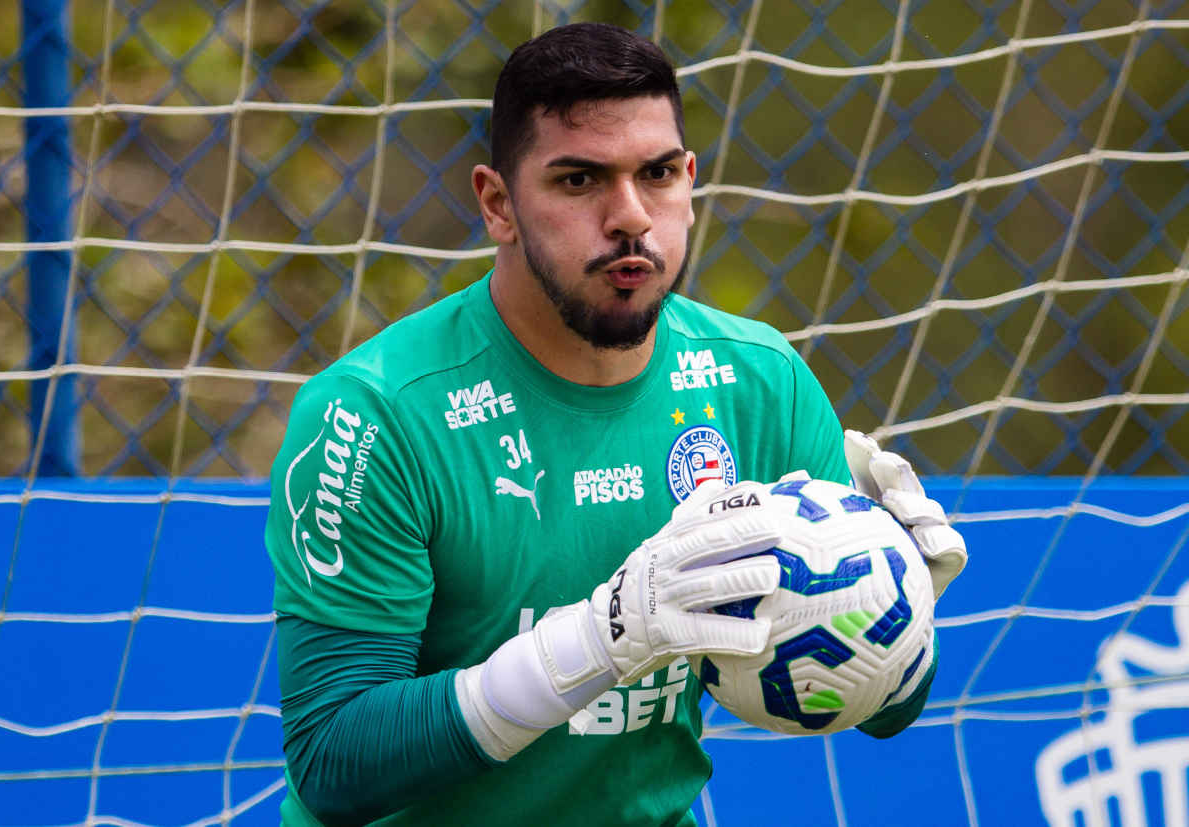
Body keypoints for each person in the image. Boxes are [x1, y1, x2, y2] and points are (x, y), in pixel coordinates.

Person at [264, 22, 966, 827]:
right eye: (579, 180)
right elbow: (333, 760)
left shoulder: (758, 381)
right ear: (497, 203)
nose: (631, 216)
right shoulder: (375, 413)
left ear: (690, 180)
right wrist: (598, 641)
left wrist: (898, 613)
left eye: (658, 174)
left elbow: (884, 712)